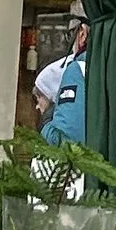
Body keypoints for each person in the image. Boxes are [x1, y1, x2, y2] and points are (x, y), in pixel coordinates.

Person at [32, 9, 88, 147]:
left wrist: (46, 124)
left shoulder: (78, 69)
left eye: (70, 34)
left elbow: (68, 143)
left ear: (82, 34)